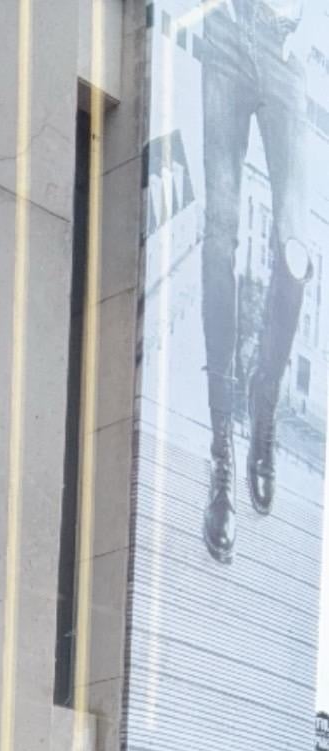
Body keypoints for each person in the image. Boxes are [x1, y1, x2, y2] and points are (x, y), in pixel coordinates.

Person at [201, 0, 313, 562]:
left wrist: (314, 29)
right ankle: (221, 454)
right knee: (220, 234)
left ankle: (262, 399)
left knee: (295, 247)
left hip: (285, 44)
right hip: (226, 30)